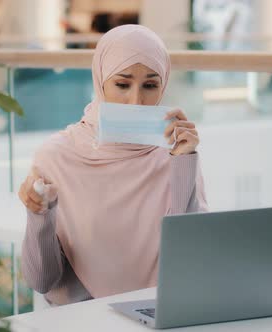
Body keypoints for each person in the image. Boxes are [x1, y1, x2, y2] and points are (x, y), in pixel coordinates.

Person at [18, 25, 208, 306]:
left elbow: (190, 264)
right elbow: (41, 281)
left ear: (163, 85)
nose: (136, 101)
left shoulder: (175, 154)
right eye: (122, 84)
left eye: (150, 85)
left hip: (159, 314)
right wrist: (40, 217)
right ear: (100, 82)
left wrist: (184, 164)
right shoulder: (56, 157)